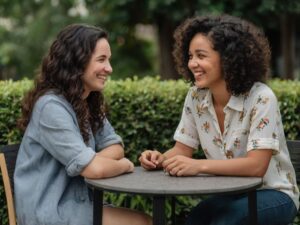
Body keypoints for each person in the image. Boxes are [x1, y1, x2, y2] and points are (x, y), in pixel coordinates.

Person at [139, 15, 299, 225]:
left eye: (201, 55)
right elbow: (182, 150)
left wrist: (198, 166)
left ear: (228, 57)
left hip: (275, 194)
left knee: (226, 221)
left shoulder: (261, 97)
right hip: (231, 194)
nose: (193, 63)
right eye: (190, 56)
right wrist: (159, 159)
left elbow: (256, 166)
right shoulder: (196, 97)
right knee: (195, 220)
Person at [14, 24, 152, 225]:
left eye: (109, 60)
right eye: (101, 60)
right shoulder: (51, 106)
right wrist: (123, 165)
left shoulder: (87, 101)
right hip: (50, 212)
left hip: (78, 206)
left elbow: (115, 147)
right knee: (142, 222)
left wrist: (91, 162)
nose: (109, 68)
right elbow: (96, 169)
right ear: (77, 62)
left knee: (144, 220)